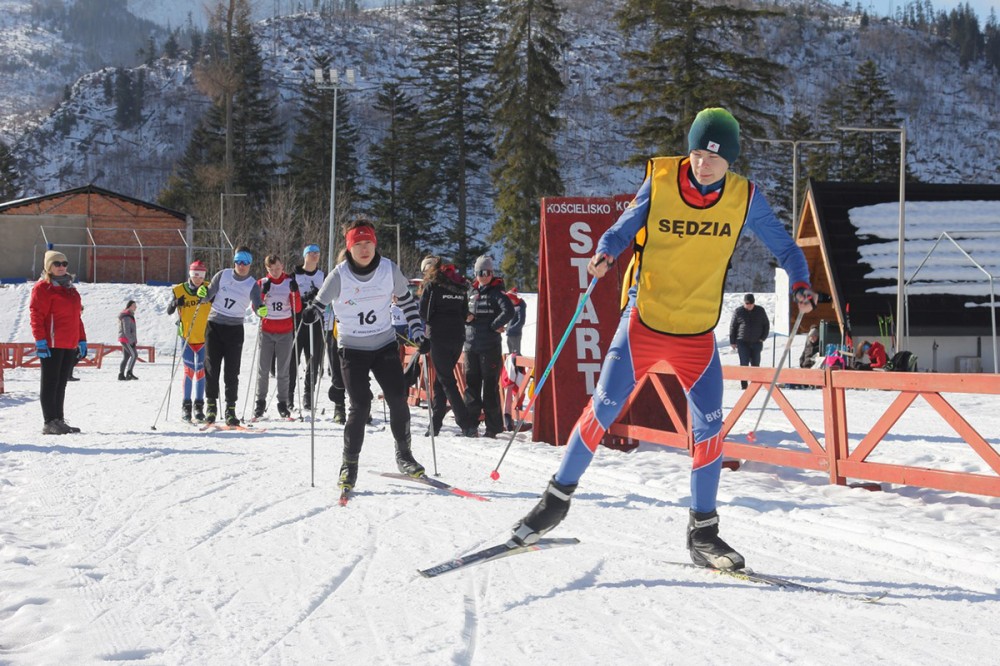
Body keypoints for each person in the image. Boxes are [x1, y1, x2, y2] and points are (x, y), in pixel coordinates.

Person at [509, 108, 815, 571]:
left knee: (710, 430)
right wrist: (605, 253)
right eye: (696, 153)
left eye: (713, 157)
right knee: (602, 410)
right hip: (645, 323)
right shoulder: (663, 179)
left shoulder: (745, 197)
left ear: (729, 161)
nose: (703, 164)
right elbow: (622, 228)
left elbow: (788, 248)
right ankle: (554, 501)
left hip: (696, 334)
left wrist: (800, 282)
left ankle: (704, 533)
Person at [310, 218, 427, 492]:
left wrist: (418, 332)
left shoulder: (389, 269)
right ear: (349, 248)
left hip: (384, 345)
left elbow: (407, 302)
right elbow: (319, 304)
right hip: (352, 350)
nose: (364, 249)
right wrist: (311, 313)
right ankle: (349, 464)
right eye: (358, 244)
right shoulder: (339, 275)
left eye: (368, 243)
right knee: (360, 405)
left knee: (399, 398)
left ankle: (405, 456)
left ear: (375, 244)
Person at [200, 247, 266, 426]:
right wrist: (202, 294)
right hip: (214, 326)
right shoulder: (223, 275)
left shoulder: (252, 284)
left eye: (245, 262)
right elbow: (208, 295)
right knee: (212, 367)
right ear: (234, 261)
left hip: (235, 329)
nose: (242, 265)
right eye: (239, 261)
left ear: (250, 264)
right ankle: (211, 406)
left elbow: (257, 303)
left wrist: (261, 310)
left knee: (232, 371)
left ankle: (230, 409)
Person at [418, 255, 478, 438]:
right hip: (458, 336)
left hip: (439, 336)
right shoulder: (459, 285)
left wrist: (427, 334)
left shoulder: (432, 286)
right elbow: (463, 312)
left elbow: (424, 313)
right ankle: (435, 424)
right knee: (441, 381)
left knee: (447, 381)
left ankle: (465, 423)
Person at [29, 250, 87, 435]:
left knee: (61, 382)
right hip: (51, 343)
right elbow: (36, 316)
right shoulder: (42, 288)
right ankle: (49, 422)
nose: (61, 267)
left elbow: (76, 317)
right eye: (57, 263)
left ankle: (59, 420)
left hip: (69, 343)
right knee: (50, 382)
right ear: (48, 267)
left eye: (64, 263)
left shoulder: (70, 289)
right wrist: (40, 341)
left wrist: (82, 339)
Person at [464, 255, 515, 438]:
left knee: (490, 386)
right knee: (471, 385)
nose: (483, 276)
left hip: (489, 347)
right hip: (470, 345)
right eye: (479, 273)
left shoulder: (496, 292)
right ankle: (470, 425)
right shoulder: (471, 291)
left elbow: (508, 310)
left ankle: (493, 427)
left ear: (492, 273)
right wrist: (465, 317)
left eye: (486, 273)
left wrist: (493, 325)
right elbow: (461, 309)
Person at [254, 255, 299, 419]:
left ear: (282, 266)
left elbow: (297, 307)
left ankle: (283, 402)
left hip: (285, 331)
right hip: (266, 331)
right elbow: (256, 308)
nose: (275, 272)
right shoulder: (263, 282)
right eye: (272, 269)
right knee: (263, 369)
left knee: (283, 370)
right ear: (267, 269)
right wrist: (262, 295)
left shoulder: (288, 282)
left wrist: (295, 292)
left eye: (278, 268)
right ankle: (260, 402)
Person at [167, 260, 211, 422]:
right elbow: (169, 310)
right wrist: (175, 303)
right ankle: (186, 406)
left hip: (203, 338)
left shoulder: (209, 288)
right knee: (189, 371)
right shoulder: (180, 290)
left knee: (201, 372)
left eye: (201, 276)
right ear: (190, 275)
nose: (198, 279)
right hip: (186, 338)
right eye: (195, 276)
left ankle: (199, 406)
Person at [290, 244, 326, 413]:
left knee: (314, 359)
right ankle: (288, 395)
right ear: (304, 256)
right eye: (311, 253)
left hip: (316, 321)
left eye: (317, 253)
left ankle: (308, 395)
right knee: (292, 359)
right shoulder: (294, 275)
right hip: (298, 320)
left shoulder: (322, 275)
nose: (314, 256)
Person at [729, 293, 769, 389]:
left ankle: (755, 385)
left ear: (754, 303)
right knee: (744, 364)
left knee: (755, 364)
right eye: (747, 303)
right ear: (744, 303)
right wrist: (732, 341)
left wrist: (762, 338)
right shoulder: (738, 311)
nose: (749, 305)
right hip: (742, 342)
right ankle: (744, 386)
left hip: (756, 342)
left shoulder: (760, 310)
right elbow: (733, 327)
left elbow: (766, 325)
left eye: (751, 303)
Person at [117, 300, 139, 380]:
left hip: (125, 339)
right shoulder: (126, 316)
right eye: (134, 305)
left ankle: (121, 375)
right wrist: (131, 341)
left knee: (126, 357)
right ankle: (129, 373)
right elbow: (126, 330)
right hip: (126, 339)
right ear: (129, 306)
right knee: (134, 355)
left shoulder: (128, 315)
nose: (136, 307)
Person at [505, 287, 527, 355]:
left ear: (513, 299)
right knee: (511, 352)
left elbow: (521, 321)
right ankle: (512, 364)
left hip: (515, 334)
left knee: (516, 353)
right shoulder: (511, 306)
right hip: (510, 333)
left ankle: (518, 365)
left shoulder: (520, 307)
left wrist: (511, 329)